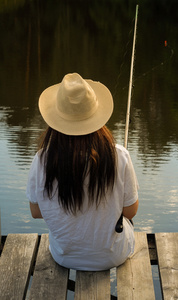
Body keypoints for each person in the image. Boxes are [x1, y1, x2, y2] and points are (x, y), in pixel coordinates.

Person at [26, 73, 139, 271]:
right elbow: (130, 211)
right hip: (113, 257)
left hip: (64, 257)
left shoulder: (42, 159)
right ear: (97, 116)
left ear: (56, 118)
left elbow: (36, 212)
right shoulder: (119, 156)